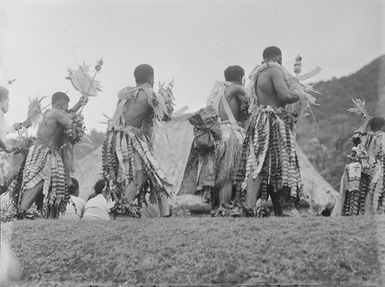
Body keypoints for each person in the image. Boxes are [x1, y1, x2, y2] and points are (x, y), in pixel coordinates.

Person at [235, 46, 304, 217]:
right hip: (272, 121)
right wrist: (300, 92)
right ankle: (273, 208)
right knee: (275, 163)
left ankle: (259, 207)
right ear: (279, 58)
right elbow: (285, 97)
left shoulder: (257, 75)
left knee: (266, 164)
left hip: (260, 121)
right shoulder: (274, 70)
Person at [102, 64, 172, 217]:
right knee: (138, 177)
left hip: (113, 138)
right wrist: (167, 100)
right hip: (128, 138)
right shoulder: (149, 94)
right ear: (151, 78)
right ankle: (122, 210)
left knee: (131, 175)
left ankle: (125, 208)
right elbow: (165, 116)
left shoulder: (127, 94)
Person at [179, 66, 248, 216]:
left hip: (217, 136)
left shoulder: (217, 93)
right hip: (230, 135)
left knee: (217, 176)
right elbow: (249, 104)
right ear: (241, 77)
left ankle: (217, 209)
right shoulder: (236, 88)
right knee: (227, 176)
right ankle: (224, 207)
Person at [16, 92, 88, 218]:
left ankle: (36, 213)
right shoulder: (57, 114)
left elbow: (68, 114)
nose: (67, 108)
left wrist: (79, 104)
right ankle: (22, 211)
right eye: (67, 106)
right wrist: (79, 119)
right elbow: (72, 123)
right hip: (46, 153)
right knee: (38, 181)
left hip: (41, 151)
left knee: (46, 184)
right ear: (62, 105)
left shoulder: (50, 113)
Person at [332, 116, 385, 216]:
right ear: (382, 127)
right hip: (374, 170)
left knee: (359, 198)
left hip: (359, 169)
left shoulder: (362, 137)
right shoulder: (381, 137)